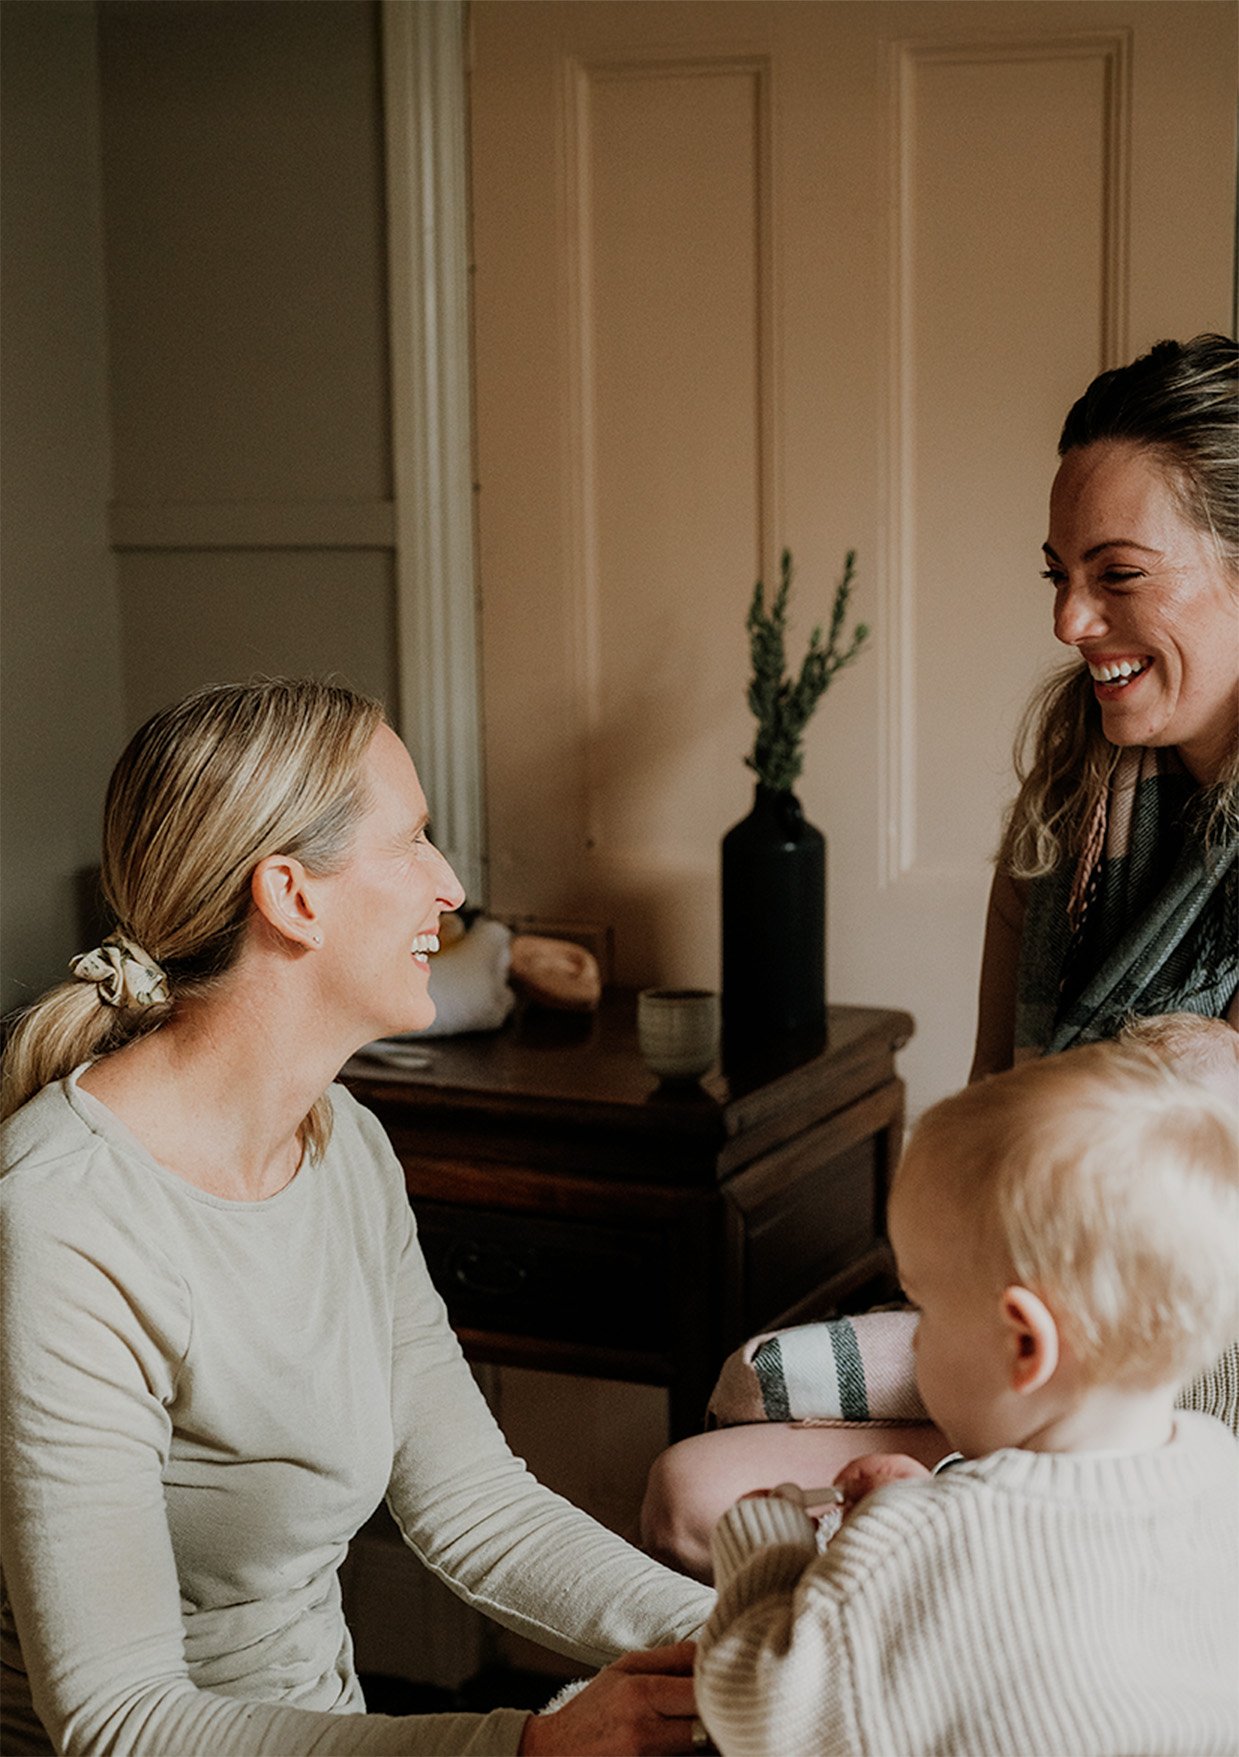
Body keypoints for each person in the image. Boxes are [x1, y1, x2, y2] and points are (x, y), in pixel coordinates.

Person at [0, 679, 713, 1756]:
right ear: (292, 895)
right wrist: (525, 1747)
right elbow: (119, 1718)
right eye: (415, 840)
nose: (452, 884)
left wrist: (743, 1634)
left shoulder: (344, 1143)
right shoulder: (63, 1215)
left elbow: (477, 1507)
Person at [641, 331, 1239, 1579]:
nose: (1074, 621)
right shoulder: (1072, 804)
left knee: (770, 1429)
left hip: (1188, 1362)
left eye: (1118, 573)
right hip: (1030, 1319)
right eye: (1060, 574)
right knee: (696, 1490)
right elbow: (986, 1118)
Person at [693, 1041, 1239, 1757]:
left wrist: (770, 1549)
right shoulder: (1217, 1470)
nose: (914, 1340)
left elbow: (758, 1713)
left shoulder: (922, 1545)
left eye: (924, 1305)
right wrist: (916, 1514)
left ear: (1023, 1345)